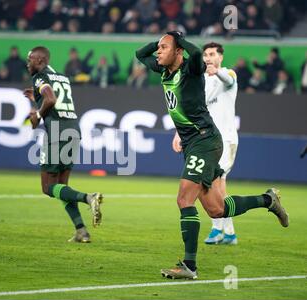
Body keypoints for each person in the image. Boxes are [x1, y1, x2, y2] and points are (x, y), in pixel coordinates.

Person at [135, 32, 289, 280]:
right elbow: (139, 54)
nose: (157, 52)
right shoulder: (164, 70)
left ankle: (189, 266)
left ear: (178, 52)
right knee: (217, 209)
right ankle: (268, 200)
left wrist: (177, 38)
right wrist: (163, 41)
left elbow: (195, 53)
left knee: (184, 200)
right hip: (194, 143)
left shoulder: (191, 69)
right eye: (158, 48)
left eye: (164, 48)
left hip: (204, 141)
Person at [23, 46, 103, 243]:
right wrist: (37, 98)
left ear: (40, 61)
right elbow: (53, 99)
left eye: (30, 60)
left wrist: (37, 115)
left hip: (57, 133)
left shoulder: (39, 77)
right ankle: (81, 231)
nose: (28, 64)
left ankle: (88, 198)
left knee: (48, 187)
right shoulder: (62, 77)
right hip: (73, 130)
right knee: (62, 187)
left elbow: (51, 98)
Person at [197, 42, 239, 245]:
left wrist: (217, 72)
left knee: (215, 184)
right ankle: (228, 232)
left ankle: (218, 229)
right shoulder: (203, 80)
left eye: (212, 54)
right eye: (205, 54)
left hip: (227, 140)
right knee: (217, 186)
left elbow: (228, 80)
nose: (208, 58)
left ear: (220, 56)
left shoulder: (228, 75)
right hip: (210, 141)